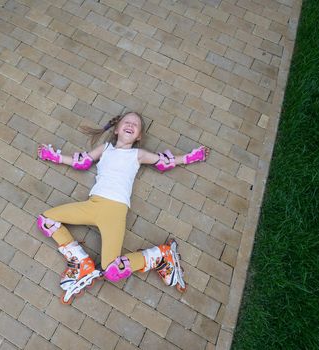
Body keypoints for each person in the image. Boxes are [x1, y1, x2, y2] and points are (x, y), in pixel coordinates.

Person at [36, 112, 209, 304]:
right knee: (46, 220)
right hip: (92, 206)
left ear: (139, 136)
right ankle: (81, 262)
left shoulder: (138, 154)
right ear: (117, 129)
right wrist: (53, 156)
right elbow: (81, 161)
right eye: (127, 122)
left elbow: (166, 161)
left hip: (115, 213)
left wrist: (192, 157)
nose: (131, 124)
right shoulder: (105, 148)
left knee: (113, 271)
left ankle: (160, 255)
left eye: (136, 125)